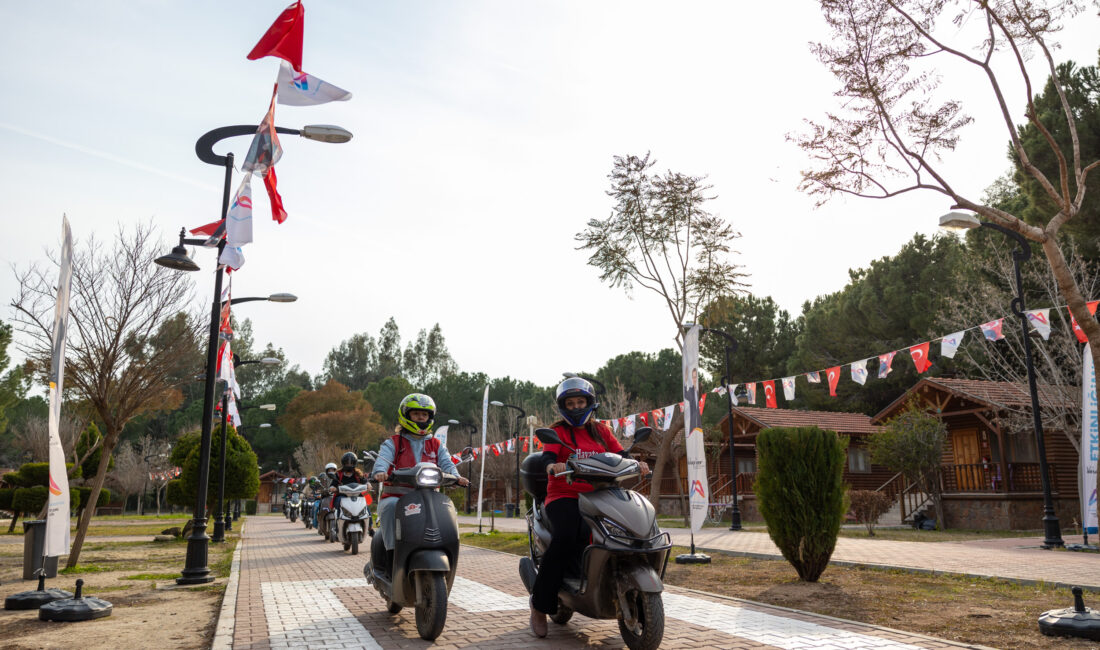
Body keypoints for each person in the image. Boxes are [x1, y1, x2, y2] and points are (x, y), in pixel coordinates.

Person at [529, 377, 650, 638]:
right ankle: (540, 605)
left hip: (601, 494)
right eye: (570, 403)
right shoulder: (558, 432)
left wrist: (637, 464)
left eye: (580, 401)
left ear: (589, 403)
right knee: (566, 536)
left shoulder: (601, 431)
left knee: (622, 533)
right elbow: (548, 456)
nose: (575, 407)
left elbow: (621, 455)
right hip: (565, 495)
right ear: (563, 406)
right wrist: (553, 466)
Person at [370, 393, 468, 575]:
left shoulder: (436, 444)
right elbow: (382, 460)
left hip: (429, 497)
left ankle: (446, 550)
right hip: (397, 497)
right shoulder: (393, 442)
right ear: (406, 415)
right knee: (390, 507)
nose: (421, 418)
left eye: (424, 415)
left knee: (448, 510)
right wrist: (380, 472)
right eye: (416, 414)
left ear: (430, 417)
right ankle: (392, 557)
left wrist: (456, 477)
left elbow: (447, 463)